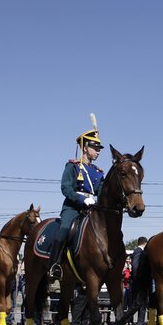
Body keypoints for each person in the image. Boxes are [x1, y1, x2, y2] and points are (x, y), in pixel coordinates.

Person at [48, 115, 105, 280]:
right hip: (73, 207)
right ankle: (54, 265)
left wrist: (98, 201)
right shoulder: (72, 166)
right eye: (96, 147)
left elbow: (101, 191)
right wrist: (82, 199)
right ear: (85, 147)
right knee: (64, 228)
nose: (99, 151)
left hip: (92, 208)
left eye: (99, 148)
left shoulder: (98, 172)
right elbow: (65, 188)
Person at [127, 237, 148, 325]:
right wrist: (138, 280)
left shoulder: (139, 251)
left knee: (141, 304)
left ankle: (140, 324)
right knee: (137, 304)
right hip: (138, 282)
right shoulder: (138, 251)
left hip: (139, 282)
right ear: (145, 243)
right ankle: (123, 321)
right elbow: (135, 266)